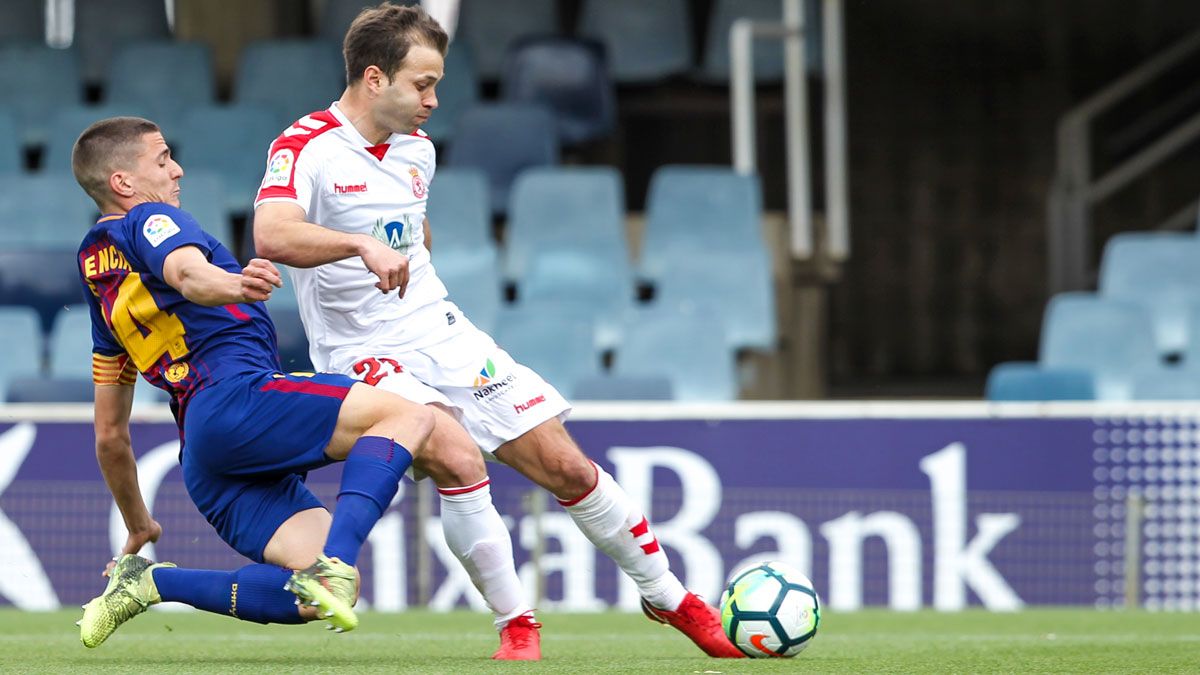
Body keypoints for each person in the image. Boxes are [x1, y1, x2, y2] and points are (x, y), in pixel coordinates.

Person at [253, 3, 742, 659]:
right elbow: (271, 233)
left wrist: (399, 252)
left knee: (567, 465)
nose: (433, 99)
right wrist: (358, 247)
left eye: (436, 83)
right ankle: (518, 623)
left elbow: (409, 228)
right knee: (455, 452)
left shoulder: (417, 151)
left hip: (442, 331)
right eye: (422, 84)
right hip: (364, 353)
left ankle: (669, 596)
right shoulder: (304, 146)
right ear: (375, 79)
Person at [69, 116, 537, 658]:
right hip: (238, 400)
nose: (176, 170)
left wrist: (139, 523)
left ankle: (150, 584)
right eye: (162, 159)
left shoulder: (96, 278)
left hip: (204, 451)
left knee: (307, 596)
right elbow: (187, 275)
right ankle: (337, 564)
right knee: (410, 417)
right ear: (124, 183)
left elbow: (109, 433)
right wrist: (234, 284)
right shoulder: (148, 218)